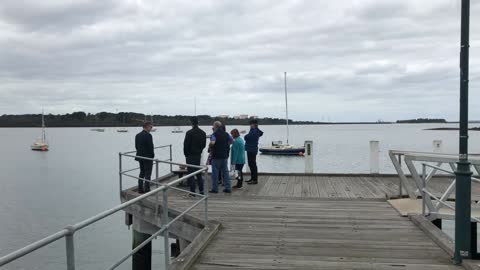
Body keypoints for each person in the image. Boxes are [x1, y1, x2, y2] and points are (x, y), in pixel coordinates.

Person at [183, 117, 207, 196]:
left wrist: (186, 154)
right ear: (198, 123)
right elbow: (203, 145)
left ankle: (193, 192)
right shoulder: (203, 133)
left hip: (190, 156)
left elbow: (186, 145)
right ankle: (201, 190)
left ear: (192, 123)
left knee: (191, 174)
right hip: (198, 155)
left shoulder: (189, 133)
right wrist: (199, 151)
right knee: (198, 173)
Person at [209, 121, 233, 193]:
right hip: (224, 156)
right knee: (225, 173)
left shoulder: (214, 135)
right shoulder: (226, 134)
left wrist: (210, 146)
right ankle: (228, 188)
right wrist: (225, 144)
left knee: (215, 173)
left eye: (213, 126)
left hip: (216, 157)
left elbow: (213, 142)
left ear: (215, 127)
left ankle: (215, 189)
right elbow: (232, 141)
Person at [135, 121, 154, 193]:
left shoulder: (137, 135)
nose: (151, 128)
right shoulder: (148, 135)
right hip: (147, 157)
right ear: (147, 127)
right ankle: (147, 189)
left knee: (142, 173)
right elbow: (150, 147)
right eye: (151, 127)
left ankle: (140, 189)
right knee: (148, 174)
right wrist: (152, 156)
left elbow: (136, 146)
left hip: (140, 157)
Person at [244, 119, 263, 184]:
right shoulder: (256, 130)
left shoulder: (254, 130)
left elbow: (247, 137)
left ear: (253, 124)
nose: (250, 125)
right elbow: (260, 133)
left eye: (251, 124)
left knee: (252, 164)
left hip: (251, 149)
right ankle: (252, 178)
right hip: (252, 149)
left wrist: (245, 136)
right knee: (251, 164)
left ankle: (254, 180)